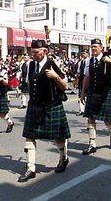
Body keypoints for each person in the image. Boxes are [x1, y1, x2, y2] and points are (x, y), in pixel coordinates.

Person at [18, 40, 71, 182]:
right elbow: (30, 83)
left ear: (45, 51)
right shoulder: (30, 65)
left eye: (36, 52)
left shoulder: (53, 64)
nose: (33, 55)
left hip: (52, 105)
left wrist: (55, 77)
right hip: (35, 105)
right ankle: (31, 168)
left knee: (58, 137)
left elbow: (65, 86)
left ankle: (63, 158)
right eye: (32, 52)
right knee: (30, 135)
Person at [80, 38, 111, 155]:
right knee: (90, 118)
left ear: (101, 48)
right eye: (92, 47)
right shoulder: (89, 61)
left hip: (105, 92)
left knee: (108, 121)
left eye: (95, 46)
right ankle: (92, 144)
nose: (93, 49)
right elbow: (87, 77)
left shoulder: (108, 58)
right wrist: (83, 92)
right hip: (93, 91)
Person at [76, 50, 89, 116]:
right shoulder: (80, 63)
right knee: (81, 94)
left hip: (88, 81)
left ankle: (87, 110)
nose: (82, 54)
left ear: (87, 54)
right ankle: (81, 110)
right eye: (82, 53)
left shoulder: (89, 61)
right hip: (81, 80)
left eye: (84, 53)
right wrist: (77, 82)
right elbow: (78, 73)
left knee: (87, 95)